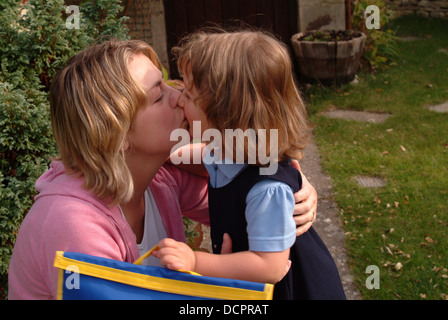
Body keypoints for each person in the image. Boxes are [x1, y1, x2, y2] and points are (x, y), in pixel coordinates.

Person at [8, 39, 317, 299]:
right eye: (158, 95)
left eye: (170, 82)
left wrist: (291, 183)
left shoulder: (159, 178)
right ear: (118, 135)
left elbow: (244, 199)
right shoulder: (72, 223)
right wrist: (219, 290)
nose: (179, 97)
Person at [153, 29, 346, 300]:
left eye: (189, 94)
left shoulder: (266, 188)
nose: (179, 99)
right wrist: (163, 152)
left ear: (225, 111)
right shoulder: (229, 151)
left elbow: (271, 266)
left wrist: (196, 263)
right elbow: (197, 153)